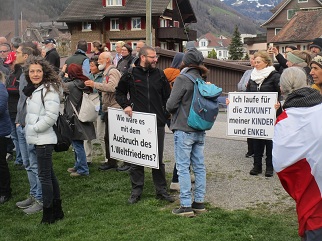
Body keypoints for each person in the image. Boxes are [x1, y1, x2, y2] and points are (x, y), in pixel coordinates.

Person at [115, 46, 174, 204]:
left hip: (157, 123)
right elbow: (119, 92)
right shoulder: (130, 75)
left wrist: (166, 112)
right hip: (138, 124)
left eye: (156, 57)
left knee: (157, 158)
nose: (156, 60)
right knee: (137, 159)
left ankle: (161, 191)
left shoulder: (160, 75)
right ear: (142, 57)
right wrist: (126, 105)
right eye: (152, 57)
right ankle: (136, 191)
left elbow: (167, 97)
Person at [273, 67, 322, 240]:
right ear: (307, 83)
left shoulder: (283, 122)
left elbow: (280, 165)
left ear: (281, 89)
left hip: (314, 211)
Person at [166, 48, 208, 217]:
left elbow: (170, 105)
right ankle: (199, 202)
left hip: (184, 128)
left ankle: (185, 205)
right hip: (199, 128)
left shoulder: (183, 78)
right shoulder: (202, 79)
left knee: (183, 167)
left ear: (186, 61)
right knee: (199, 167)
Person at [24, 55, 64, 224]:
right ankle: (58, 210)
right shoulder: (34, 89)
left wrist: (33, 128)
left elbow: (51, 116)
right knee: (49, 174)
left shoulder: (49, 89)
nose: (35, 74)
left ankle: (48, 215)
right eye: (32, 71)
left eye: (38, 71)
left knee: (44, 177)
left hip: (44, 139)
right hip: (38, 138)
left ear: (44, 72)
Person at [15, 42, 43, 214]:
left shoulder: (32, 75)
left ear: (26, 56)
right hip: (21, 123)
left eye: (17, 52)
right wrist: (18, 121)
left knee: (34, 164)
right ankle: (33, 194)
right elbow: (21, 101)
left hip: (30, 126)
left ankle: (40, 198)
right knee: (27, 163)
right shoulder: (22, 73)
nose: (14, 54)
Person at [246, 50, 280, 177]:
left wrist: (279, 104)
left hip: (271, 114)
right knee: (256, 139)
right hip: (256, 114)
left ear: (266, 62)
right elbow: (248, 94)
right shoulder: (252, 76)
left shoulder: (275, 76)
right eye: (254, 62)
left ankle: (270, 167)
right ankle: (257, 166)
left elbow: (281, 93)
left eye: (258, 62)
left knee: (269, 141)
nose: (255, 64)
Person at [64, 63, 96, 177]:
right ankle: (78, 165)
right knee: (78, 143)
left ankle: (83, 169)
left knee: (77, 144)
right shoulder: (83, 83)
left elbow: (57, 86)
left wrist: (62, 73)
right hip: (81, 115)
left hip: (74, 118)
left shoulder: (71, 85)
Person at [96, 52, 123, 172]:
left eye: (100, 59)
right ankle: (111, 162)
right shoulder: (107, 72)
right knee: (108, 137)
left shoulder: (112, 72)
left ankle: (117, 162)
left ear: (107, 60)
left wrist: (95, 84)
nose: (98, 61)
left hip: (114, 108)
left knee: (115, 137)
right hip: (110, 108)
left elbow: (113, 87)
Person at [163, 52, 184, 191]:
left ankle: (185, 174)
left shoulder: (164, 73)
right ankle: (177, 179)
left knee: (181, 144)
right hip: (178, 114)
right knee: (183, 146)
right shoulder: (181, 76)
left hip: (166, 112)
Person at [83, 56, 105, 165]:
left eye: (92, 66)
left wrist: (95, 86)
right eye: (89, 66)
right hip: (89, 108)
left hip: (100, 109)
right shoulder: (88, 77)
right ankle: (88, 158)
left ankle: (107, 159)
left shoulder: (104, 77)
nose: (90, 68)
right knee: (87, 135)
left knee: (101, 135)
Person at [5, 51, 23, 167]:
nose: (9, 65)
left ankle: (21, 158)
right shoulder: (12, 74)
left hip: (17, 109)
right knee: (15, 135)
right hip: (11, 108)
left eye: (11, 63)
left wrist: (6, 89)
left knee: (19, 136)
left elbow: (20, 90)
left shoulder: (20, 74)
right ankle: (19, 157)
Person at [237, 54, 255, 158]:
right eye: (251, 59)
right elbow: (240, 85)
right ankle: (250, 150)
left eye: (253, 59)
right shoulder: (247, 72)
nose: (251, 61)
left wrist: (249, 86)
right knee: (249, 127)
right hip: (247, 102)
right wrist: (246, 86)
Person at [0, 71, 12, 204]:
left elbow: (1, 107)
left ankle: (5, 191)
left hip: (1, 132)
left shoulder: (1, 88)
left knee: (1, 163)